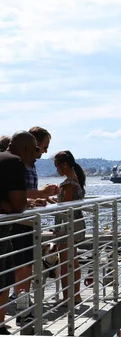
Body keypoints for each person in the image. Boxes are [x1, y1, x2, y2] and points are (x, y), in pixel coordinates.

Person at [12, 127, 58, 326]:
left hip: (27, 218)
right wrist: (40, 194)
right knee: (23, 263)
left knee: (27, 263)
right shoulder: (18, 164)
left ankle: (23, 300)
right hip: (19, 222)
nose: (45, 152)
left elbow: (23, 194)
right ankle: (22, 305)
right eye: (44, 147)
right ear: (33, 145)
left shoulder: (30, 164)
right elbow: (17, 191)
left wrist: (34, 202)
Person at [0, 131, 36, 334]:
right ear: (25, 149)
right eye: (36, 149)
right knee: (3, 277)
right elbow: (19, 204)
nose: (38, 155)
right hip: (2, 231)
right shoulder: (15, 163)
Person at [53, 150, 87, 304]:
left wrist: (53, 203)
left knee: (66, 262)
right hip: (77, 223)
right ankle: (75, 295)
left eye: (57, 166)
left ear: (64, 165)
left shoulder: (68, 184)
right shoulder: (77, 180)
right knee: (73, 261)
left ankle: (68, 297)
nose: (57, 170)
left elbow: (65, 207)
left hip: (67, 225)